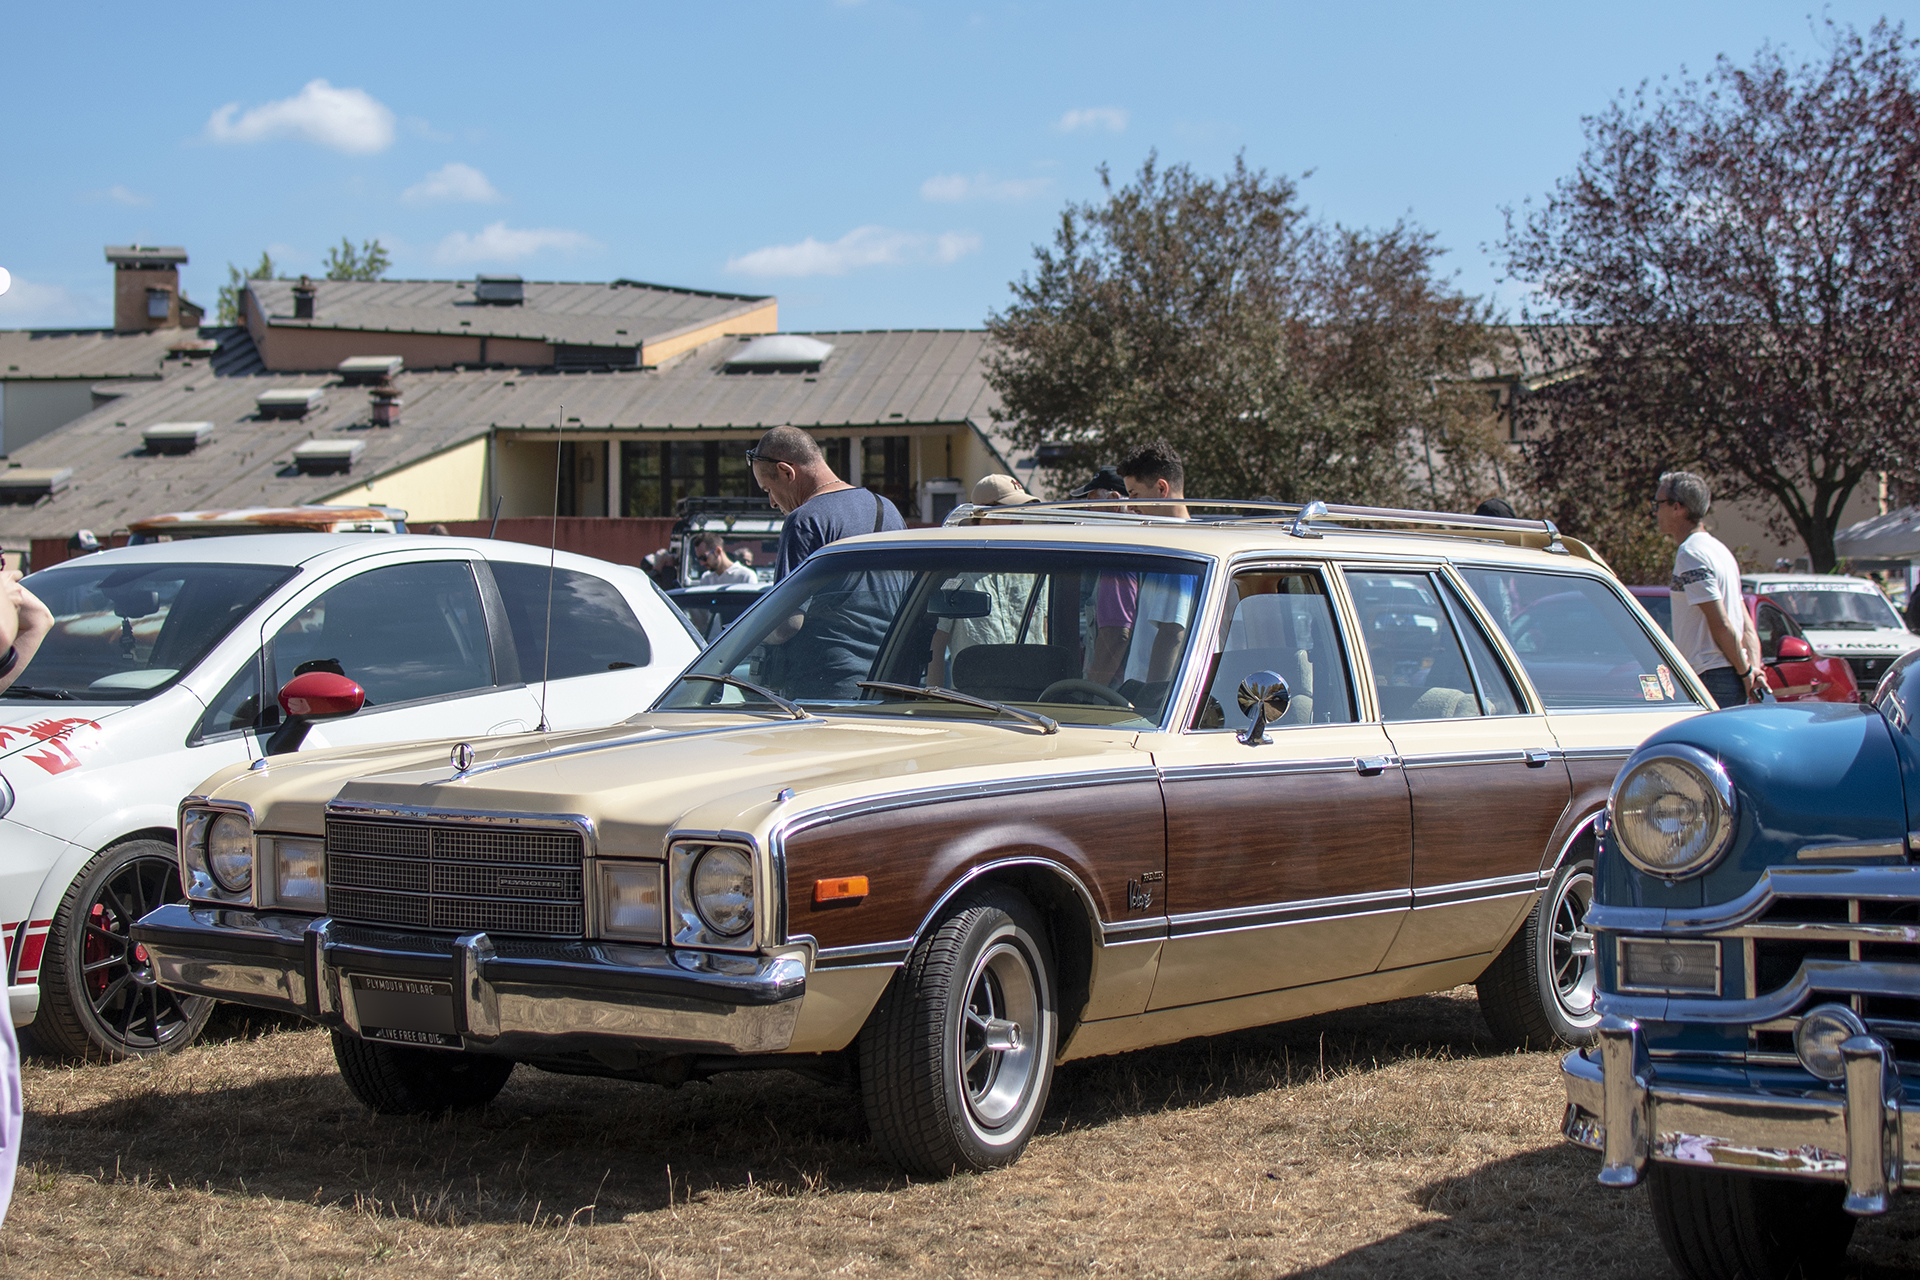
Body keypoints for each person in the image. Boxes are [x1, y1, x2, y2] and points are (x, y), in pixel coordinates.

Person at [1654, 471, 1764, 708]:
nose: (1655, 511)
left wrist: (1747, 673)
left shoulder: (1691, 553)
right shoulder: (1720, 550)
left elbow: (1721, 623)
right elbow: (1746, 625)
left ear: (1677, 507)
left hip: (1710, 675)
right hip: (1727, 673)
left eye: (1658, 503)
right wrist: (1752, 669)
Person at [749, 426, 906, 582]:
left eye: (768, 489)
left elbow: (786, 597)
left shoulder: (804, 521)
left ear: (787, 472)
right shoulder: (887, 508)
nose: (772, 503)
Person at [926, 476, 1042, 686]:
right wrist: (933, 698)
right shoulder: (956, 574)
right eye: (1012, 511)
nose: (1020, 519)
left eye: (1022, 511)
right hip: (974, 700)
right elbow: (937, 643)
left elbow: (1045, 630)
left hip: (1034, 698)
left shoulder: (1036, 569)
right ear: (985, 515)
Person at [692, 532, 757, 586]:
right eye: (699, 559)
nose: (702, 563)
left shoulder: (745, 576)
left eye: (704, 558)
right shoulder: (706, 578)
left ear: (717, 551)